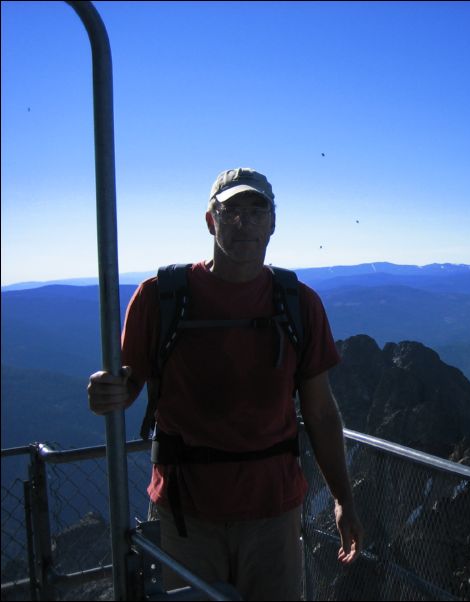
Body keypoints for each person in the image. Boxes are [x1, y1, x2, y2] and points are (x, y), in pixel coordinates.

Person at [87, 167, 363, 601]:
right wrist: (109, 393)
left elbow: (321, 411)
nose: (244, 222)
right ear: (209, 221)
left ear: (274, 223)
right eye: (230, 210)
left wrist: (343, 498)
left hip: (273, 512)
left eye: (257, 211)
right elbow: (128, 385)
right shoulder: (159, 298)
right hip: (187, 514)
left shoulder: (299, 304)